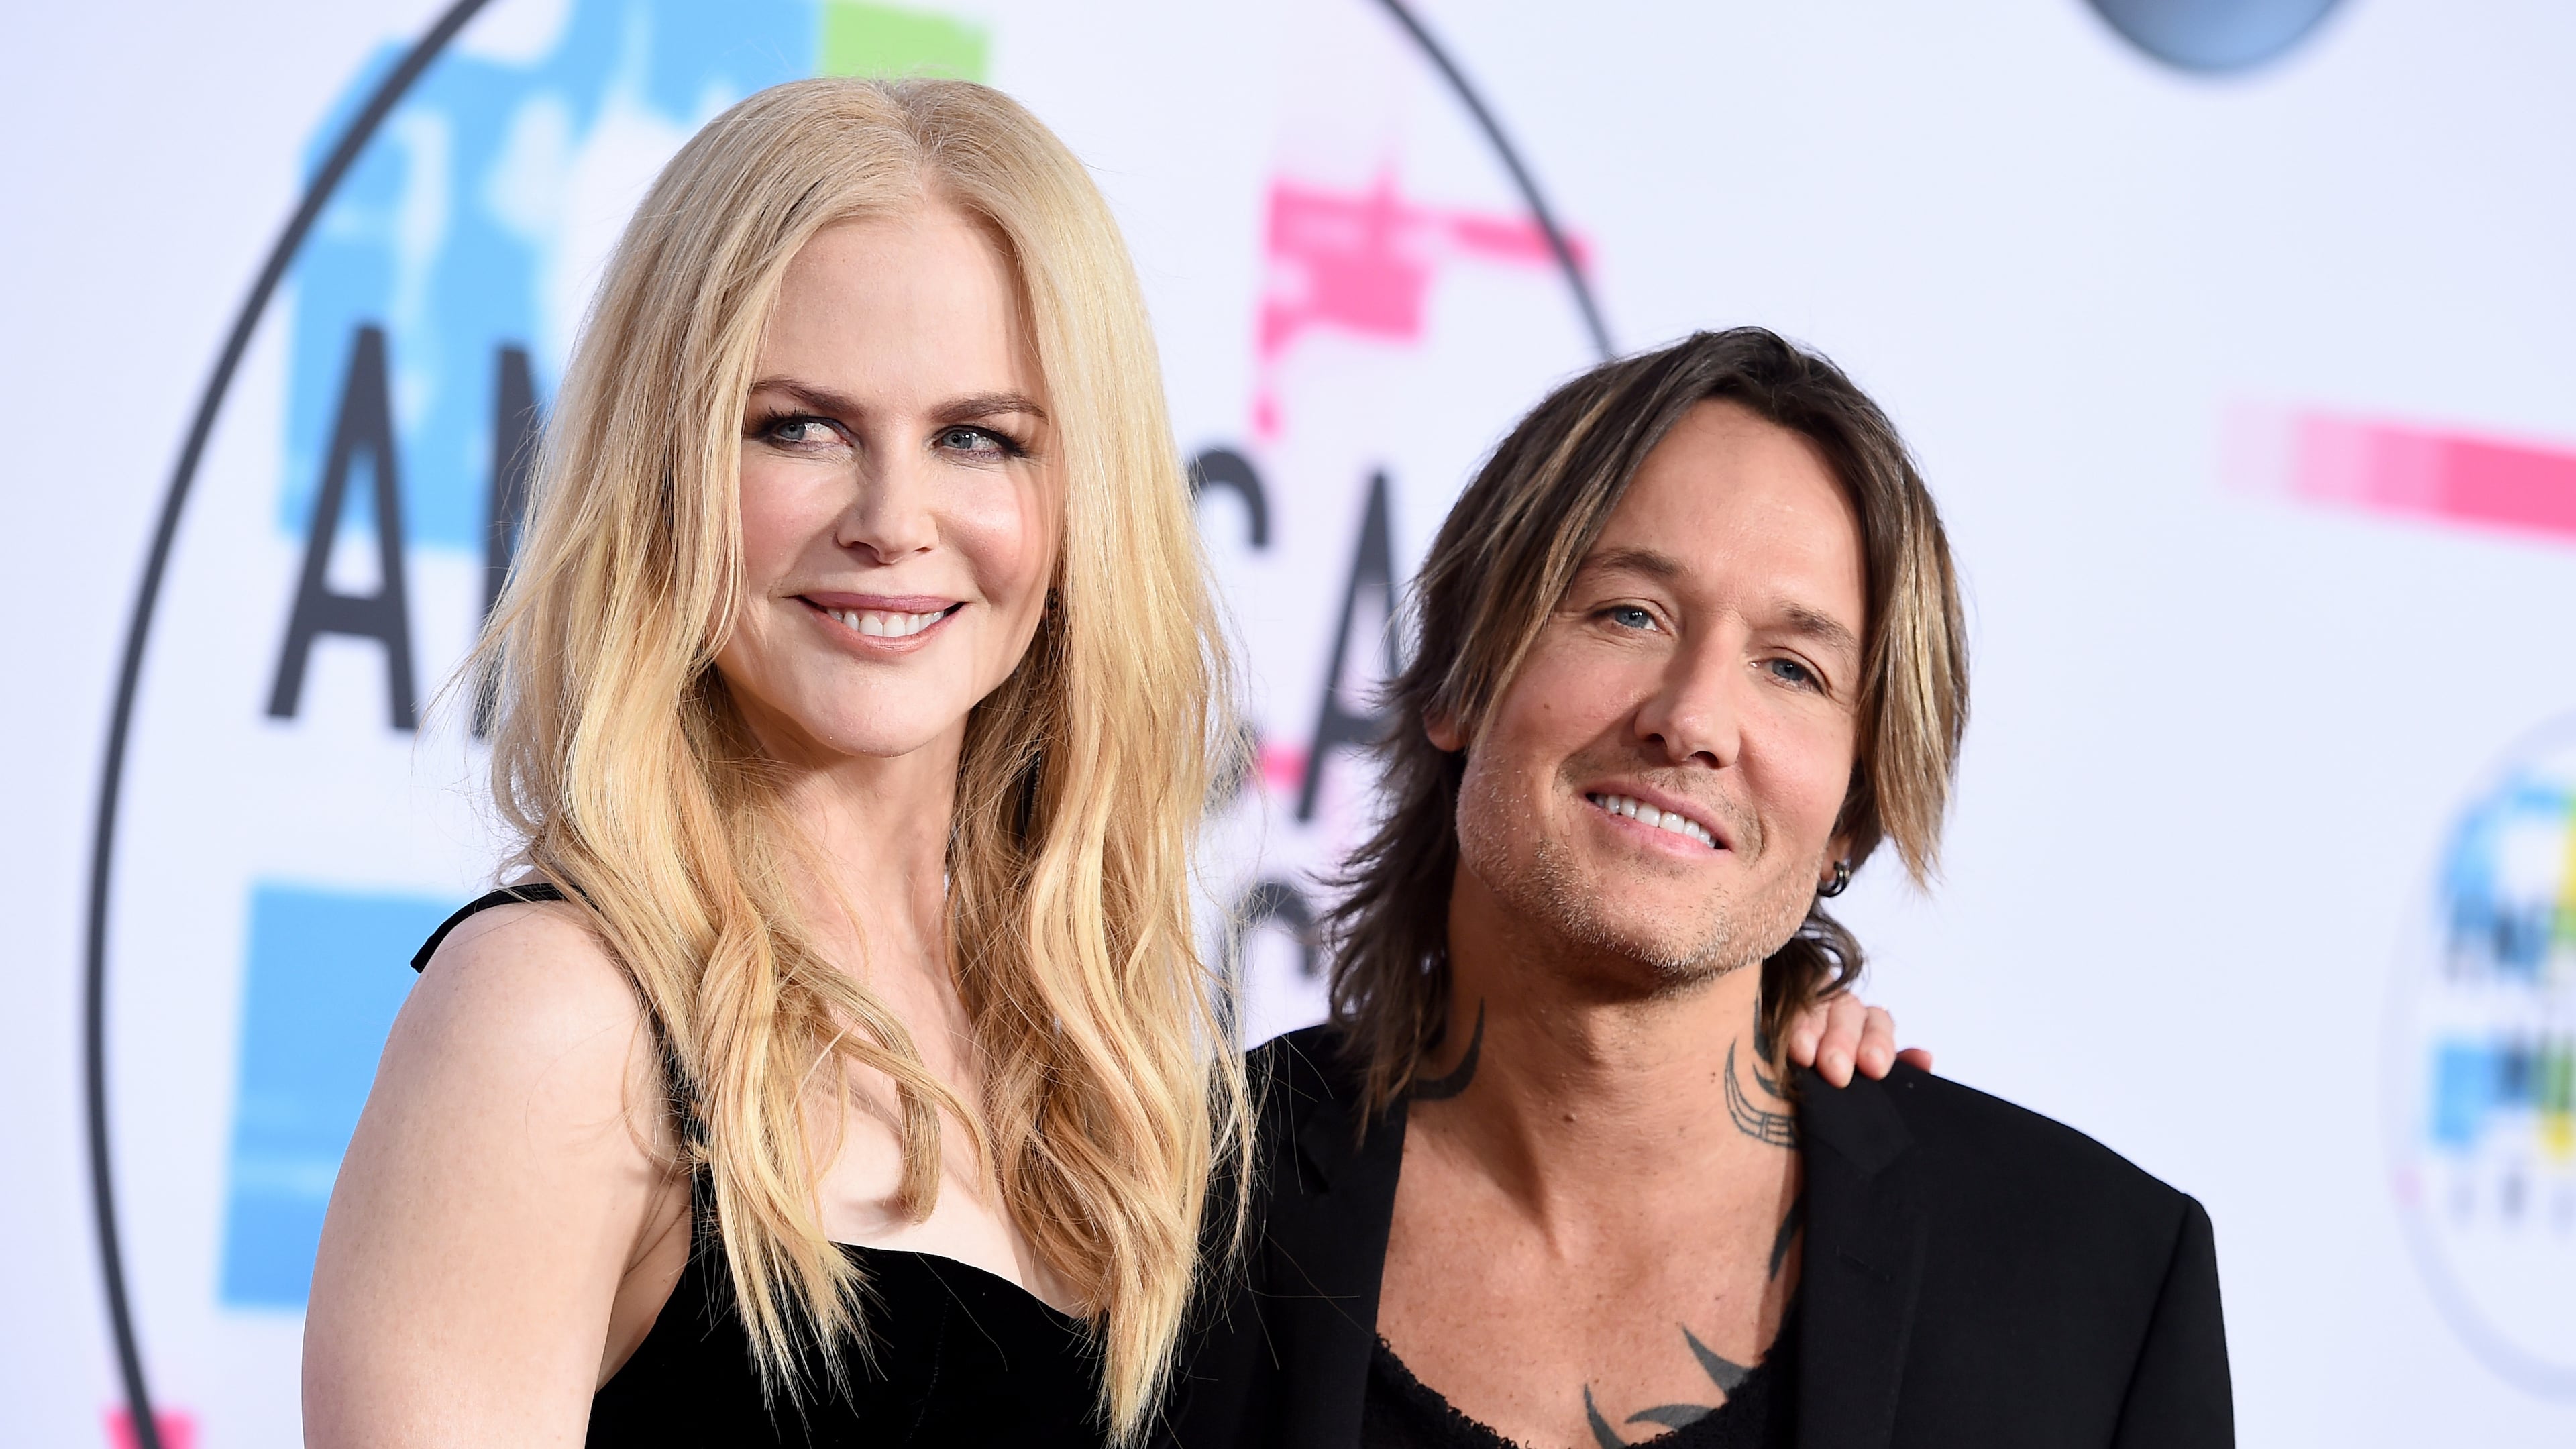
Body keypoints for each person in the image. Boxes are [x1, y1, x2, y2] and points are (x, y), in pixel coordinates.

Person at [300, 80, 1909, 1448]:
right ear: (661, 463)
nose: (891, 518)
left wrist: (1769, 1064)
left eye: (980, 437)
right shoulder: (555, 1021)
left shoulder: (1121, 1080)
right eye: (793, 426)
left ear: (1081, 511)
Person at [1165, 329, 2233, 1449]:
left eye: (1793, 669)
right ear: (1464, 677)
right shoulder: (1156, 1214)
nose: (1693, 719)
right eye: (1629, 614)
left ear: (1855, 815)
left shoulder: (2091, 1284)